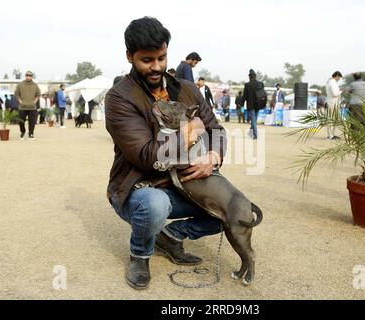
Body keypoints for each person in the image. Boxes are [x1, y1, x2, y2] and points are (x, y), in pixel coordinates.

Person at [105, 16, 226, 290]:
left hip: (185, 186)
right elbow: (148, 156)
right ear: (129, 56)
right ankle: (140, 253)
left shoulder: (187, 90)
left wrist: (213, 156)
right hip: (139, 187)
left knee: (232, 210)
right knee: (154, 205)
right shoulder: (119, 98)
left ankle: (171, 236)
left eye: (161, 57)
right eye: (147, 60)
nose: (156, 66)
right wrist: (190, 133)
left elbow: (217, 130)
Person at [14, 71, 41, 140]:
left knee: (32, 122)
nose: (28, 77)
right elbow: (16, 94)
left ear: (31, 76)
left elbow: (38, 94)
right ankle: (22, 132)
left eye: (30, 75)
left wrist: (34, 102)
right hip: (22, 107)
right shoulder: (20, 84)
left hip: (32, 107)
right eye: (27, 75)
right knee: (21, 121)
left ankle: (31, 134)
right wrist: (20, 101)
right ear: (25, 76)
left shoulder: (35, 85)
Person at [242, 69, 263, 139]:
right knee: (254, 120)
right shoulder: (260, 84)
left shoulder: (247, 85)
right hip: (258, 104)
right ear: (255, 76)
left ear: (249, 77)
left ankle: (255, 134)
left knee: (253, 120)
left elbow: (244, 96)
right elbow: (263, 94)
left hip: (250, 105)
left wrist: (242, 104)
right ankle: (251, 133)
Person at [325, 71, 343, 140]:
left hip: (331, 102)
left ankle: (331, 134)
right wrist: (341, 91)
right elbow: (335, 94)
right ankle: (331, 136)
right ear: (337, 76)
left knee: (332, 119)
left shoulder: (329, 81)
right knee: (331, 119)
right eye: (339, 78)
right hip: (333, 103)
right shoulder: (332, 82)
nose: (339, 79)